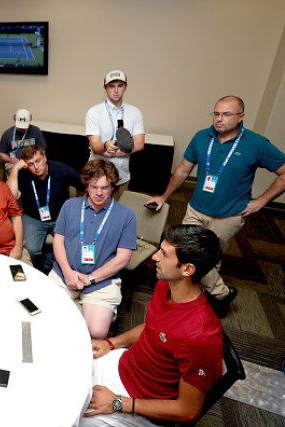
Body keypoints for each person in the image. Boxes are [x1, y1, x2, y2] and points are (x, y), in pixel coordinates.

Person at [146, 95, 285, 318]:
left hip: (228, 216)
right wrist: (164, 196)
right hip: (195, 209)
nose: (219, 119)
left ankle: (204, 299)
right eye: (216, 113)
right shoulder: (202, 137)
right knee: (186, 253)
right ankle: (221, 293)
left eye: (226, 114)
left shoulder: (256, 144)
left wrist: (261, 201)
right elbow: (183, 170)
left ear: (241, 116)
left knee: (210, 260)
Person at [81, 225, 224, 427]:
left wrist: (118, 403)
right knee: (62, 366)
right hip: (124, 365)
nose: (154, 257)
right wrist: (112, 342)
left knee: (67, 416)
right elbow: (153, 328)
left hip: (137, 403)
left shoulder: (201, 336)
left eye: (164, 254)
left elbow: (188, 411)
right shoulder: (167, 284)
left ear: (187, 269)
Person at [49, 160, 136, 339]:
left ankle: (76, 313)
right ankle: (78, 314)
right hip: (64, 274)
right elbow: (58, 241)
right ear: (87, 185)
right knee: (45, 318)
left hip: (101, 282)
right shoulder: (70, 205)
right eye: (94, 187)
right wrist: (67, 272)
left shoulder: (127, 215)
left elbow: (123, 258)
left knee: (97, 332)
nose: (99, 193)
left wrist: (91, 278)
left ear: (113, 187)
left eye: (105, 187)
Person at [7, 145, 81, 273]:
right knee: (30, 250)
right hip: (33, 217)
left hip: (61, 218)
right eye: (30, 164)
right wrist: (15, 169)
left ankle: (50, 259)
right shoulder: (23, 174)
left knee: (72, 248)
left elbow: (85, 184)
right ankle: (41, 264)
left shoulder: (60, 169)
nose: (36, 167)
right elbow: (10, 198)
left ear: (45, 157)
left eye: (38, 161)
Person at [86, 70, 145, 199]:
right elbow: (95, 146)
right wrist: (105, 145)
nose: (116, 90)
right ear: (105, 88)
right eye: (112, 86)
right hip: (97, 177)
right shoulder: (94, 112)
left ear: (126, 87)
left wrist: (110, 152)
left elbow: (139, 144)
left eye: (120, 86)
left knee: (119, 209)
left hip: (122, 176)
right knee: (94, 208)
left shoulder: (135, 112)